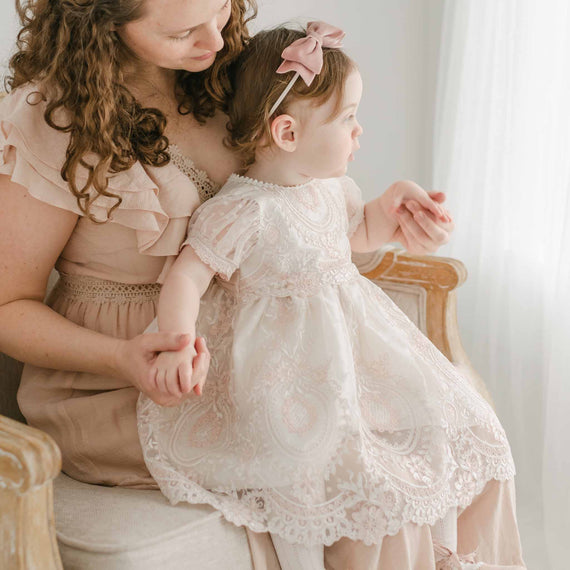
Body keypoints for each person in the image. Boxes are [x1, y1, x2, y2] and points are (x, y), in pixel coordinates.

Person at [0, 0, 453, 567]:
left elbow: (286, 218)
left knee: (422, 438)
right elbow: (7, 305)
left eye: (221, 10)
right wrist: (122, 357)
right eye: (183, 31)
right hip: (124, 387)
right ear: (99, 23)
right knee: (354, 467)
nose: (215, 41)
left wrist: (381, 220)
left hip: (259, 361)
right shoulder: (52, 120)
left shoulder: (232, 74)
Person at [136, 23, 526, 570]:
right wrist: (177, 343)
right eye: (347, 119)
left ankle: (460, 555)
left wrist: (389, 211)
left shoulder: (329, 190)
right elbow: (185, 278)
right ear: (288, 134)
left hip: (356, 360)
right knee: (363, 475)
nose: (359, 132)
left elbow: (353, 233)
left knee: (469, 427)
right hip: (291, 375)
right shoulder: (244, 209)